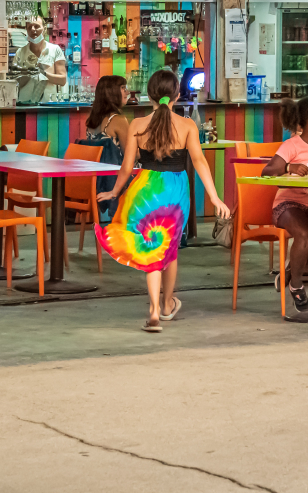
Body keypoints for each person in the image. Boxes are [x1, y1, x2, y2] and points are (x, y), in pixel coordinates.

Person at [96, 69, 229, 332]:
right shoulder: (187, 125)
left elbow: (126, 168)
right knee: (169, 250)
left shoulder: (136, 125)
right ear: (178, 95)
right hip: (175, 192)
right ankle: (166, 304)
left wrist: (114, 192)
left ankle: (154, 310)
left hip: (143, 190)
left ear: (149, 95)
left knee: (151, 248)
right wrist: (214, 198)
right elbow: (200, 162)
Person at [262, 96, 308, 313]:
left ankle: (291, 271)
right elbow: (267, 171)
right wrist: (289, 168)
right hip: (288, 203)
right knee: (304, 235)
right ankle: (296, 285)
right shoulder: (291, 145)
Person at [83, 75, 130, 218]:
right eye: (123, 88)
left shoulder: (92, 121)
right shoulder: (119, 120)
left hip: (96, 181)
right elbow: (131, 155)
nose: (127, 92)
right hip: (116, 180)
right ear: (112, 93)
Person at [14, 16, 67, 103]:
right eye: (29, 27)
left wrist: (43, 73)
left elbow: (62, 80)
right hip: (24, 105)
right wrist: (28, 73)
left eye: (37, 26)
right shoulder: (20, 52)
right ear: (26, 30)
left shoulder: (55, 50)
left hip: (48, 107)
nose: (33, 29)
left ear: (44, 29)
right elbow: (15, 83)